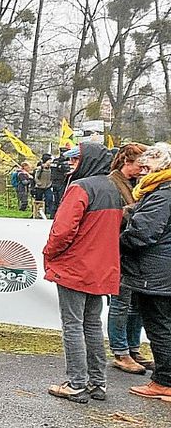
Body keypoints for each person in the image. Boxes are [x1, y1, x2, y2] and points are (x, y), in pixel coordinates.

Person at [43, 142, 124, 403]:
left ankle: (76, 383)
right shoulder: (113, 188)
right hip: (102, 268)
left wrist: (50, 253)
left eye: (77, 160)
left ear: (87, 161)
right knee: (92, 325)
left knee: (73, 326)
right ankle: (97, 382)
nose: (72, 165)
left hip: (76, 266)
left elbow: (63, 230)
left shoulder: (80, 188)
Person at [120, 142, 171, 401]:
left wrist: (116, 240)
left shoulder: (162, 193)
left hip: (155, 272)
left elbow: (143, 234)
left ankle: (164, 381)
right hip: (161, 269)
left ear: (161, 166)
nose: (141, 171)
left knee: (159, 326)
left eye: (147, 166)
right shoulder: (160, 190)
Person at [109, 142, 150, 374]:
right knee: (121, 301)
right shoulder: (113, 183)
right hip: (121, 248)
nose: (143, 170)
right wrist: (136, 210)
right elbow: (115, 215)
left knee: (136, 303)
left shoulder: (137, 184)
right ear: (127, 162)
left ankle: (133, 348)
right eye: (139, 165)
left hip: (136, 250)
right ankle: (120, 351)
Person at [51, 147, 73, 214]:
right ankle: (60, 213)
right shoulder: (64, 163)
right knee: (61, 199)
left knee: (55, 199)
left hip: (54, 182)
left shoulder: (54, 161)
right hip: (62, 182)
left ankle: (53, 214)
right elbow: (68, 171)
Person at [33, 153, 55, 219]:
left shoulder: (51, 169)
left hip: (48, 186)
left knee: (49, 199)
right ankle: (37, 213)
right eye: (49, 160)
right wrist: (38, 183)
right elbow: (36, 177)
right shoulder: (40, 168)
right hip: (39, 187)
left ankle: (51, 213)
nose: (50, 162)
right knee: (38, 200)